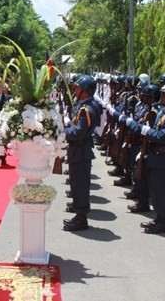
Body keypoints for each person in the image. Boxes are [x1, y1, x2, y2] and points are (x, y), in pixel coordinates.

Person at [121, 83, 165, 233]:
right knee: (155, 190)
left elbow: (164, 137)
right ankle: (158, 218)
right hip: (155, 156)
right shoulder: (164, 112)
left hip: (163, 158)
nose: (162, 97)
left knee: (161, 191)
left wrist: (147, 131)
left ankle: (163, 221)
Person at [63, 76, 100, 231]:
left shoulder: (88, 109)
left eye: (78, 88)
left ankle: (81, 218)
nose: (75, 90)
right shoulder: (84, 105)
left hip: (80, 150)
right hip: (77, 150)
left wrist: (62, 132)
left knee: (80, 185)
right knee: (76, 184)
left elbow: (79, 132)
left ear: (85, 91)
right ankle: (79, 214)